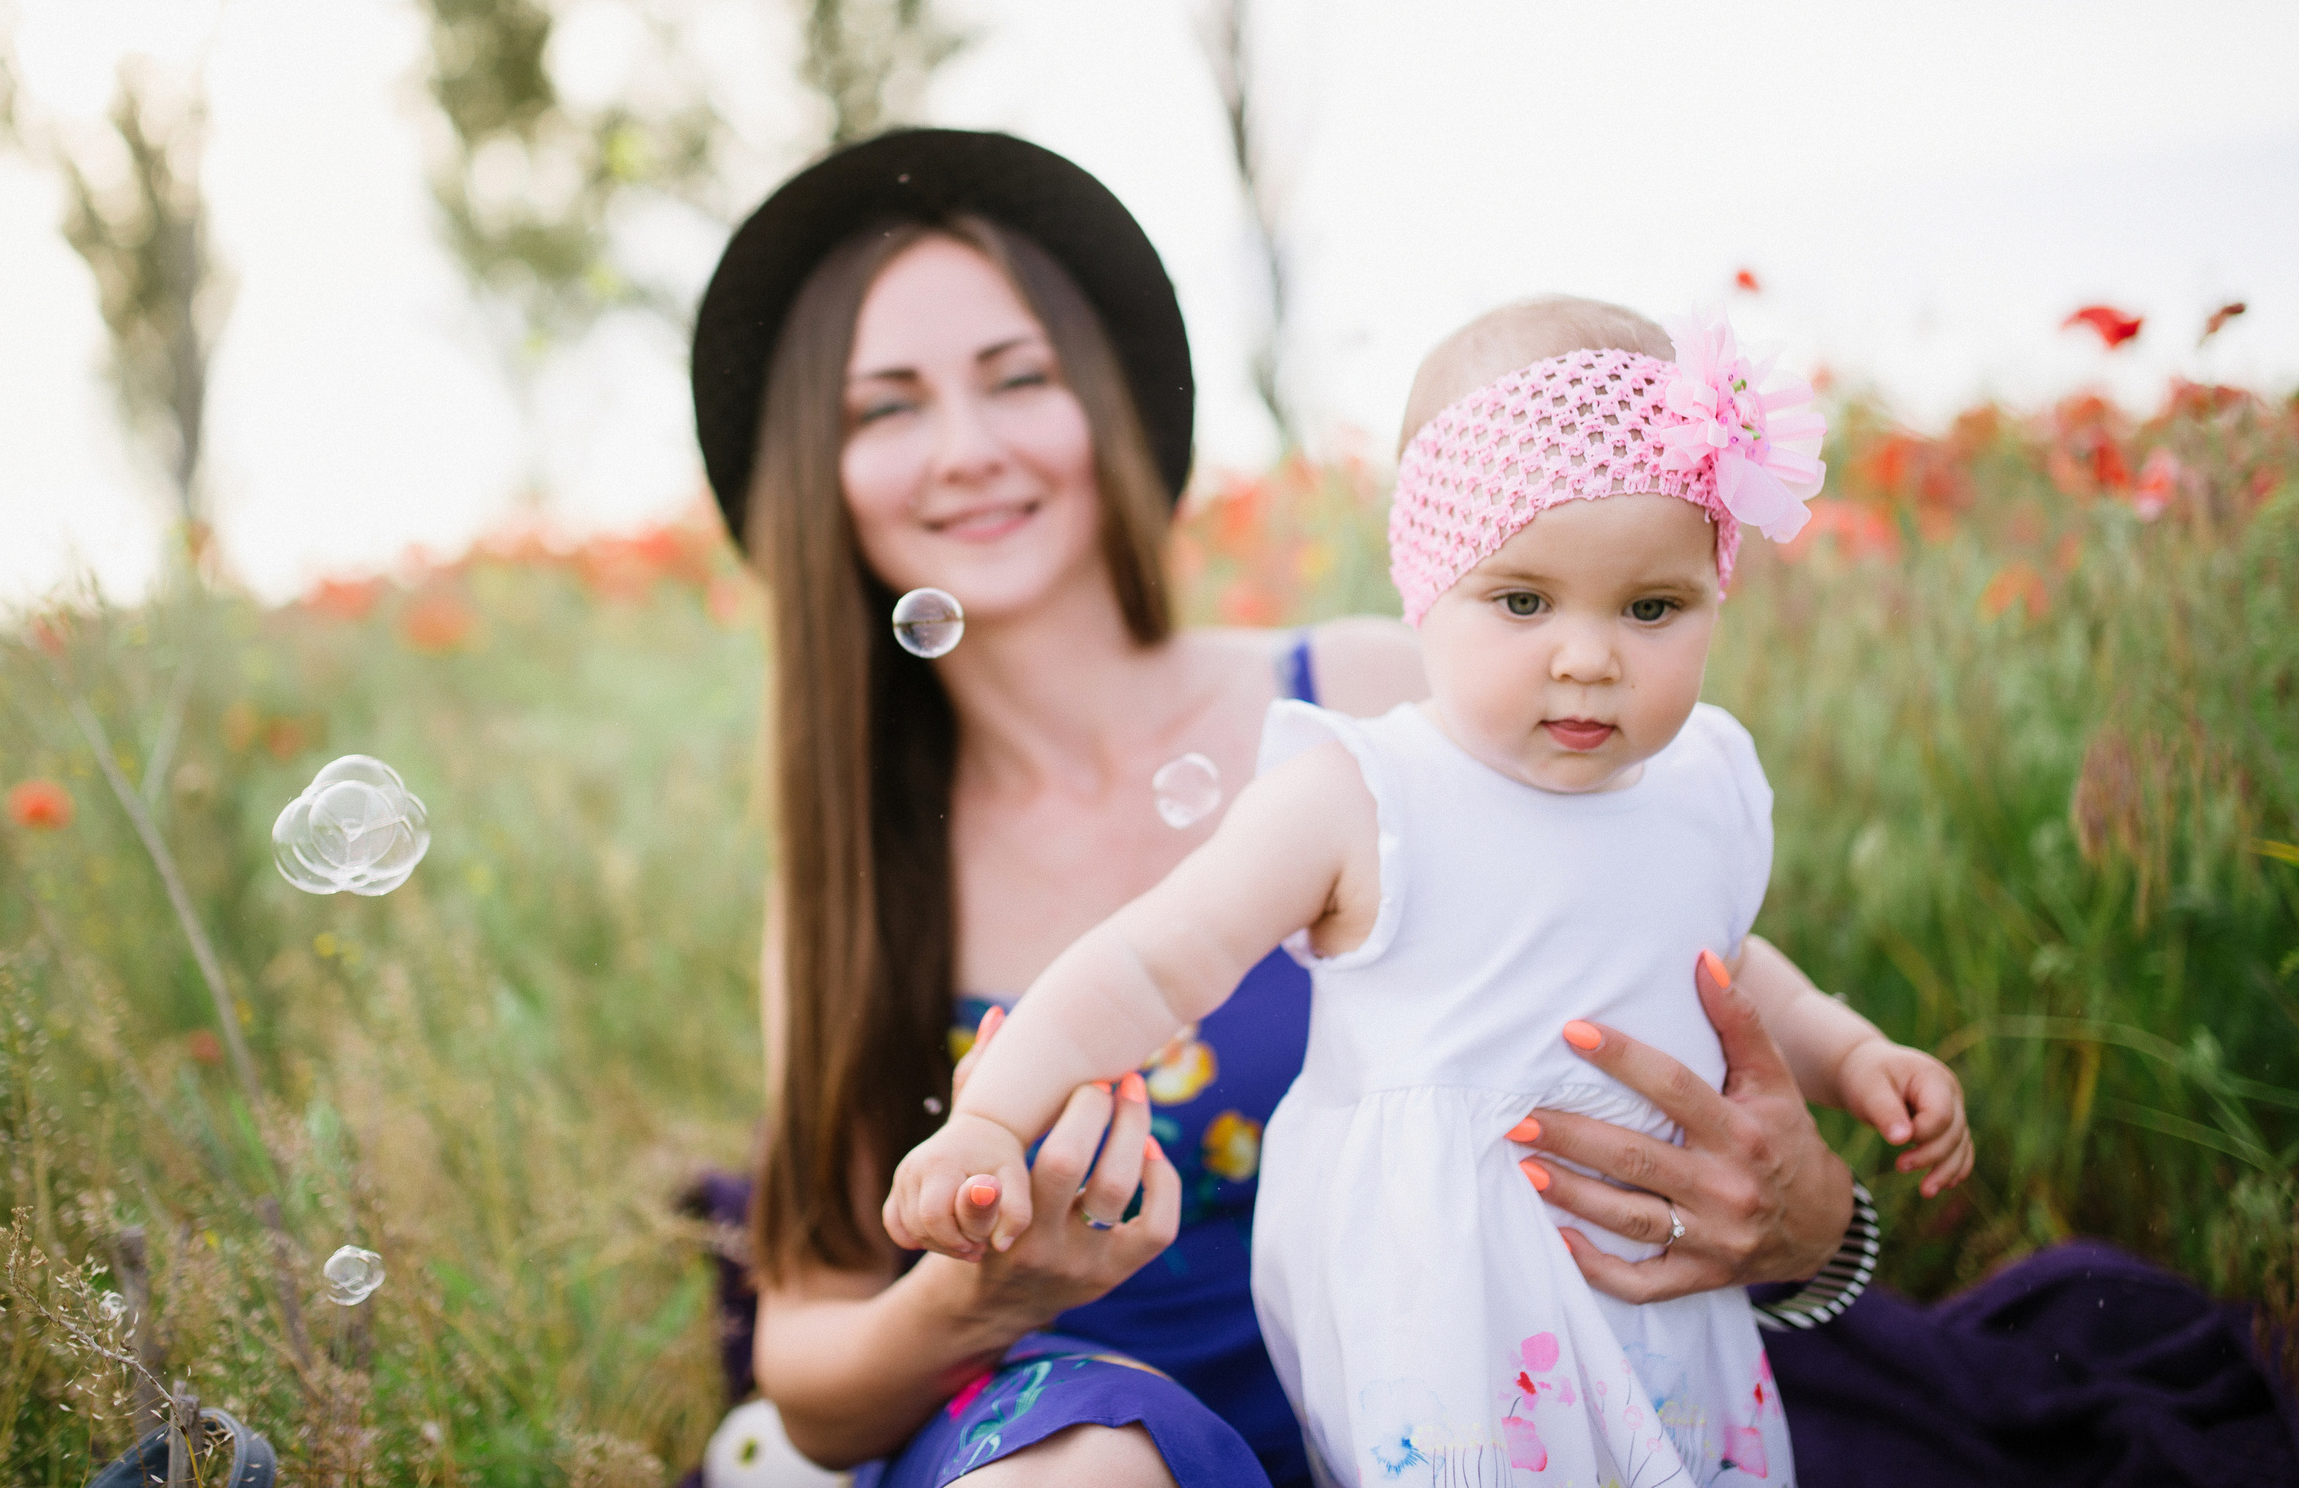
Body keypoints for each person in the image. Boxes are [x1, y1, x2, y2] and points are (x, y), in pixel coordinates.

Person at [690, 129, 1877, 1488]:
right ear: (814, 471)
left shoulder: (1389, 708)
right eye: (885, 407)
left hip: (1472, 1386)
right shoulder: (855, 880)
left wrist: (1815, 1222)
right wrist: (980, 1296)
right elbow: (812, 1380)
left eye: (1019, 377)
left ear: (1110, 403)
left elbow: (1687, 975)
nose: (967, 447)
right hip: (1062, 1421)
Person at [884, 298, 1974, 1486]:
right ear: (1428, 588)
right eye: (1522, 600)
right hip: (1444, 1304)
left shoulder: (1704, 778)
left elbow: (1726, 960)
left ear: (1714, 593)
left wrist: (1850, 1051)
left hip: (1656, 1291)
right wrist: (992, 1117)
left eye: (1651, 607)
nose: (1588, 656)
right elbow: (1149, 963)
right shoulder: (1364, 792)